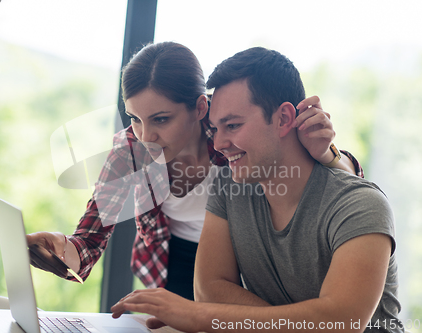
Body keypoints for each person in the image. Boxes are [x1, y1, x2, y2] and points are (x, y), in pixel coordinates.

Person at [27, 42, 362, 301]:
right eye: (134, 118)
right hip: (171, 261)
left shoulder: (235, 134)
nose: (146, 136)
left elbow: (341, 180)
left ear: (201, 108)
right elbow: (89, 241)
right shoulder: (130, 150)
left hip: (247, 265)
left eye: (161, 119)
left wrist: (329, 153)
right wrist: (60, 249)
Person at [110, 46, 402, 333]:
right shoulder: (229, 187)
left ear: (285, 119)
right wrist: (304, 323)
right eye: (216, 128)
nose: (220, 143)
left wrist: (203, 317)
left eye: (233, 125)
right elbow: (209, 291)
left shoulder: (360, 205)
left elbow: (340, 322)